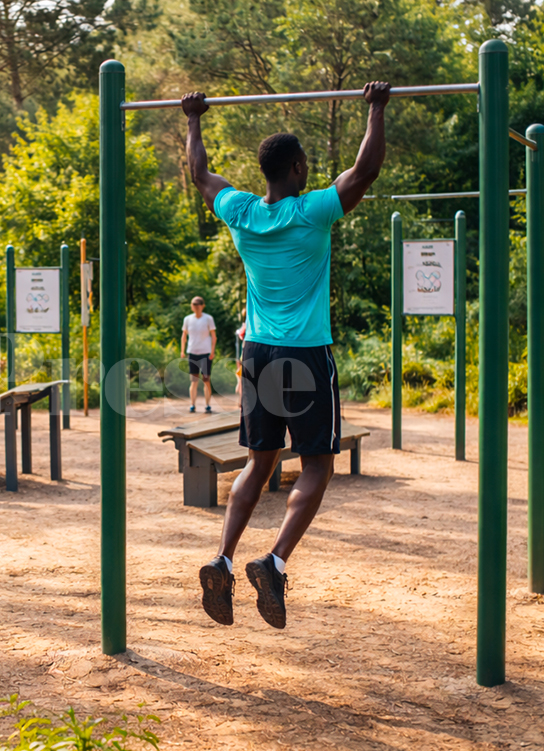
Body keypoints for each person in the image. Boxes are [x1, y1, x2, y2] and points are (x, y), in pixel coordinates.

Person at [183, 81, 391, 628]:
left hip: (256, 353)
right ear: (298, 166)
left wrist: (194, 119)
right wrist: (375, 108)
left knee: (260, 460)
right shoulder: (314, 210)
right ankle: (273, 562)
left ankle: (222, 558)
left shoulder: (241, 212)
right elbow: (365, 170)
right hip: (305, 355)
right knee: (318, 463)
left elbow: (201, 174)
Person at [181, 296, 218, 413]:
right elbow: (184, 336)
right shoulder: (187, 319)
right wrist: (182, 351)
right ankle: (192, 404)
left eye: (198, 304)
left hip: (205, 353)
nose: (196, 306)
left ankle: (207, 404)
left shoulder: (208, 318)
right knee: (194, 380)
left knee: (206, 379)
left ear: (203, 306)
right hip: (192, 352)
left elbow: (214, 336)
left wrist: (212, 351)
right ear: (191, 306)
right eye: (194, 304)